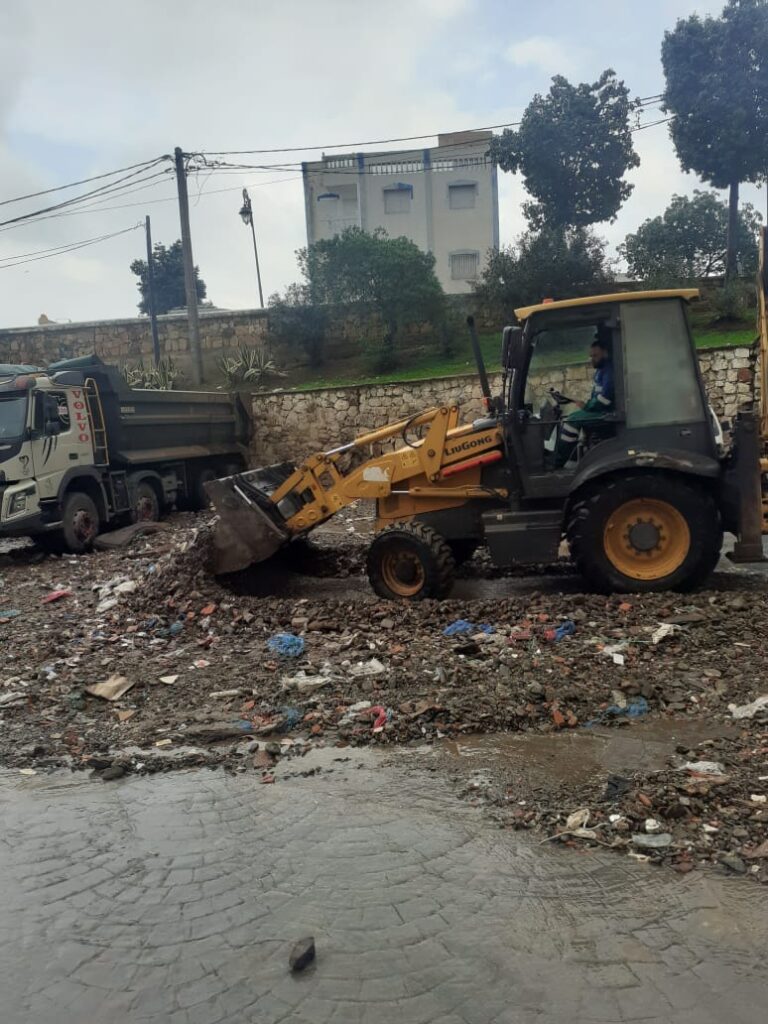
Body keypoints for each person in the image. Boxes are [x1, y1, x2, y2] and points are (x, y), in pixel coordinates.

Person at [555, 329, 614, 467]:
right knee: (570, 417)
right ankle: (570, 458)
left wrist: (587, 406)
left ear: (605, 353)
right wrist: (587, 404)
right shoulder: (602, 370)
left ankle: (558, 462)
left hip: (607, 414)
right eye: (591, 356)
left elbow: (605, 399)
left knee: (571, 421)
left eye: (595, 356)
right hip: (600, 411)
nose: (592, 359)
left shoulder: (609, 371)